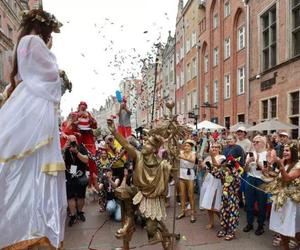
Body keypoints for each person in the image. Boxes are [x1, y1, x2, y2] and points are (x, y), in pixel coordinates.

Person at [0, 9, 66, 249]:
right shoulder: (35, 41)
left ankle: (25, 226)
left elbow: (22, 74)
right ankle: (36, 225)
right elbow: (49, 73)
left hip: (25, 100)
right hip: (35, 104)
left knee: (22, 162)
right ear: (45, 30)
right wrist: (51, 54)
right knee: (37, 163)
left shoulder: (21, 43)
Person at [107, 119, 173, 249]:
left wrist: (172, 164)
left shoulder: (161, 164)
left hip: (152, 198)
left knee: (151, 230)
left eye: (148, 144)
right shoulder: (138, 156)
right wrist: (114, 132)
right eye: (145, 142)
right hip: (138, 191)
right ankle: (129, 221)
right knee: (123, 191)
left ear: (154, 149)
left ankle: (162, 234)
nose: (144, 144)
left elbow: (171, 174)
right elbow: (127, 145)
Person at [265, 143, 300, 250]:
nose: (285, 152)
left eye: (288, 150)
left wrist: (280, 165)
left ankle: (295, 242)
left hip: (292, 200)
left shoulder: (298, 165)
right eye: (284, 150)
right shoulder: (283, 162)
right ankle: (286, 246)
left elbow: (287, 178)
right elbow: (276, 176)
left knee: (293, 226)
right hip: (281, 198)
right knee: (282, 226)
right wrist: (266, 170)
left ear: (293, 152)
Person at [243, 135, 268, 235]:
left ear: (263, 143)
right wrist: (247, 162)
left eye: (257, 142)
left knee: (262, 204)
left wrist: (257, 161)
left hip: (261, 180)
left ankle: (260, 225)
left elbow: (265, 170)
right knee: (249, 203)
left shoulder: (266, 154)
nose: (254, 144)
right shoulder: (250, 153)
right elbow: (245, 170)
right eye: (253, 142)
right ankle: (249, 223)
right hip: (250, 179)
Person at [63, 135, 89, 227]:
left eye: (74, 140)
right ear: (68, 141)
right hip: (69, 175)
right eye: (71, 141)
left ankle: (80, 212)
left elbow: (86, 160)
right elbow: (60, 162)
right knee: (70, 197)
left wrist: (77, 152)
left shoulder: (81, 148)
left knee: (81, 196)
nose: (73, 142)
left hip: (80, 174)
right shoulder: (65, 149)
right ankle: (73, 215)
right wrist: (63, 149)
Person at [199, 142, 226, 229]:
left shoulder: (222, 157)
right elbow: (202, 167)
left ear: (220, 149)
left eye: (216, 147)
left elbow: (217, 166)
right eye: (213, 147)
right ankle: (211, 222)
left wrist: (212, 156)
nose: (214, 148)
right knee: (207, 203)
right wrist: (199, 161)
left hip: (216, 181)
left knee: (214, 204)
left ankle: (223, 220)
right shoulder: (208, 157)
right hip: (207, 181)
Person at [176, 139, 197, 223]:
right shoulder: (180, 152)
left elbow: (193, 161)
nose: (186, 147)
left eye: (188, 146)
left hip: (190, 173)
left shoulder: (193, 153)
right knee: (182, 194)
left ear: (191, 147)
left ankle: (192, 213)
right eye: (185, 145)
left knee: (191, 194)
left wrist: (182, 157)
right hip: (182, 173)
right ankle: (182, 211)